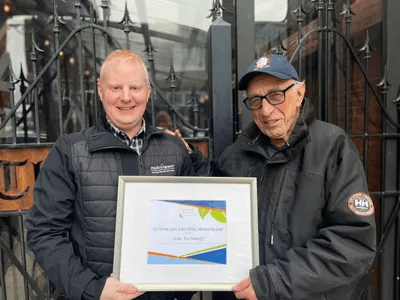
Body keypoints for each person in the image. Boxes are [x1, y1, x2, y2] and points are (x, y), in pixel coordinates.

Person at [178, 54, 377, 299]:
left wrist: (272, 281)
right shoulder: (238, 152)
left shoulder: (333, 147)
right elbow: (216, 201)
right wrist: (190, 158)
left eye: (275, 96)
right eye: (255, 100)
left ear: (300, 93)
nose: (266, 110)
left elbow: (352, 244)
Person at [25, 49, 196, 300]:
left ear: (148, 92)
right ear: (101, 90)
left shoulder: (174, 150)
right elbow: (45, 232)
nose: (126, 97)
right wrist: (91, 289)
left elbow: (193, 223)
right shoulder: (69, 152)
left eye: (135, 88)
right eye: (116, 87)